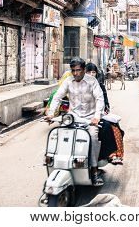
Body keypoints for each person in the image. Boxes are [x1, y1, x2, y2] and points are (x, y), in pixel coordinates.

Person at [45, 57, 105, 186]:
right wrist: (51, 114)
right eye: (73, 71)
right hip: (73, 118)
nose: (76, 73)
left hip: (89, 119)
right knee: (59, 137)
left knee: (93, 137)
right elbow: (57, 97)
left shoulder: (92, 81)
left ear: (84, 70)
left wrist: (97, 116)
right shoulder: (68, 81)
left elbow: (100, 99)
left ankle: (94, 170)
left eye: (78, 70)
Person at [86, 62, 124, 165]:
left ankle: (112, 155)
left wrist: (106, 108)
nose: (91, 74)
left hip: (97, 116)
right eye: (88, 72)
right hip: (82, 117)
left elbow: (105, 101)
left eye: (93, 72)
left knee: (114, 128)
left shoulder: (100, 86)